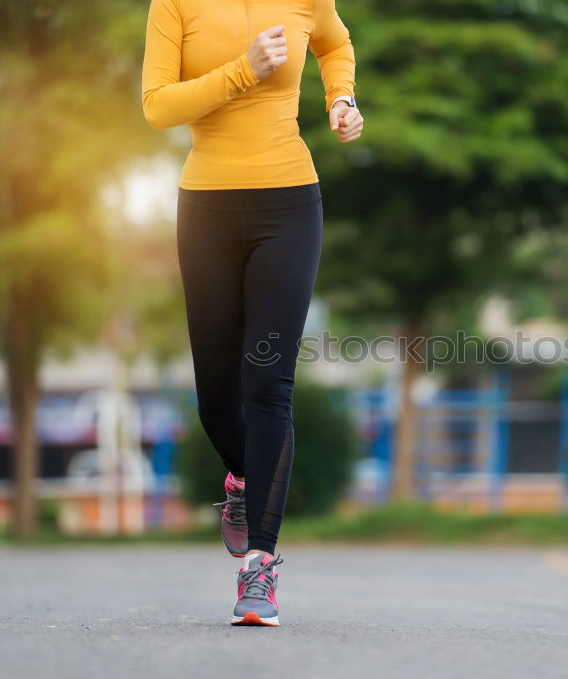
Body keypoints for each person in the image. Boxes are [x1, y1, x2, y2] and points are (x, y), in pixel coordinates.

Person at [141, 0, 363, 627]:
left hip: (289, 204)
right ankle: (242, 475)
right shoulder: (175, 4)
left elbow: (336, 44)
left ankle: (259, 567)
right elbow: (158, 106)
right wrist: (244, 69)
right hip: (206, 209)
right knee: (216, 394)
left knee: (268, 382)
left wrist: (340, 100)